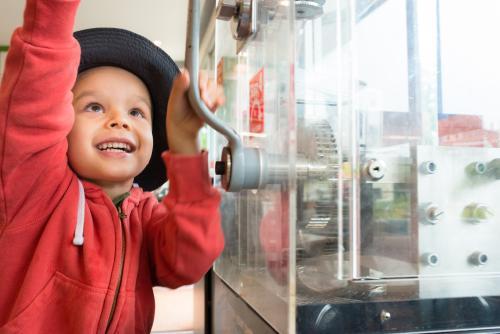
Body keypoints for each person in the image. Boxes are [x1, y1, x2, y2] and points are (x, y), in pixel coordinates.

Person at [0, 0, 225, 333]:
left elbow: (190, 263)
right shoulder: (36, 189)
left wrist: (185, 145)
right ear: (61, 124)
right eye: (94, 106)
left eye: (136, 113)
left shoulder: (149, 218)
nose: (119, 120)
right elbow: (33, 104)